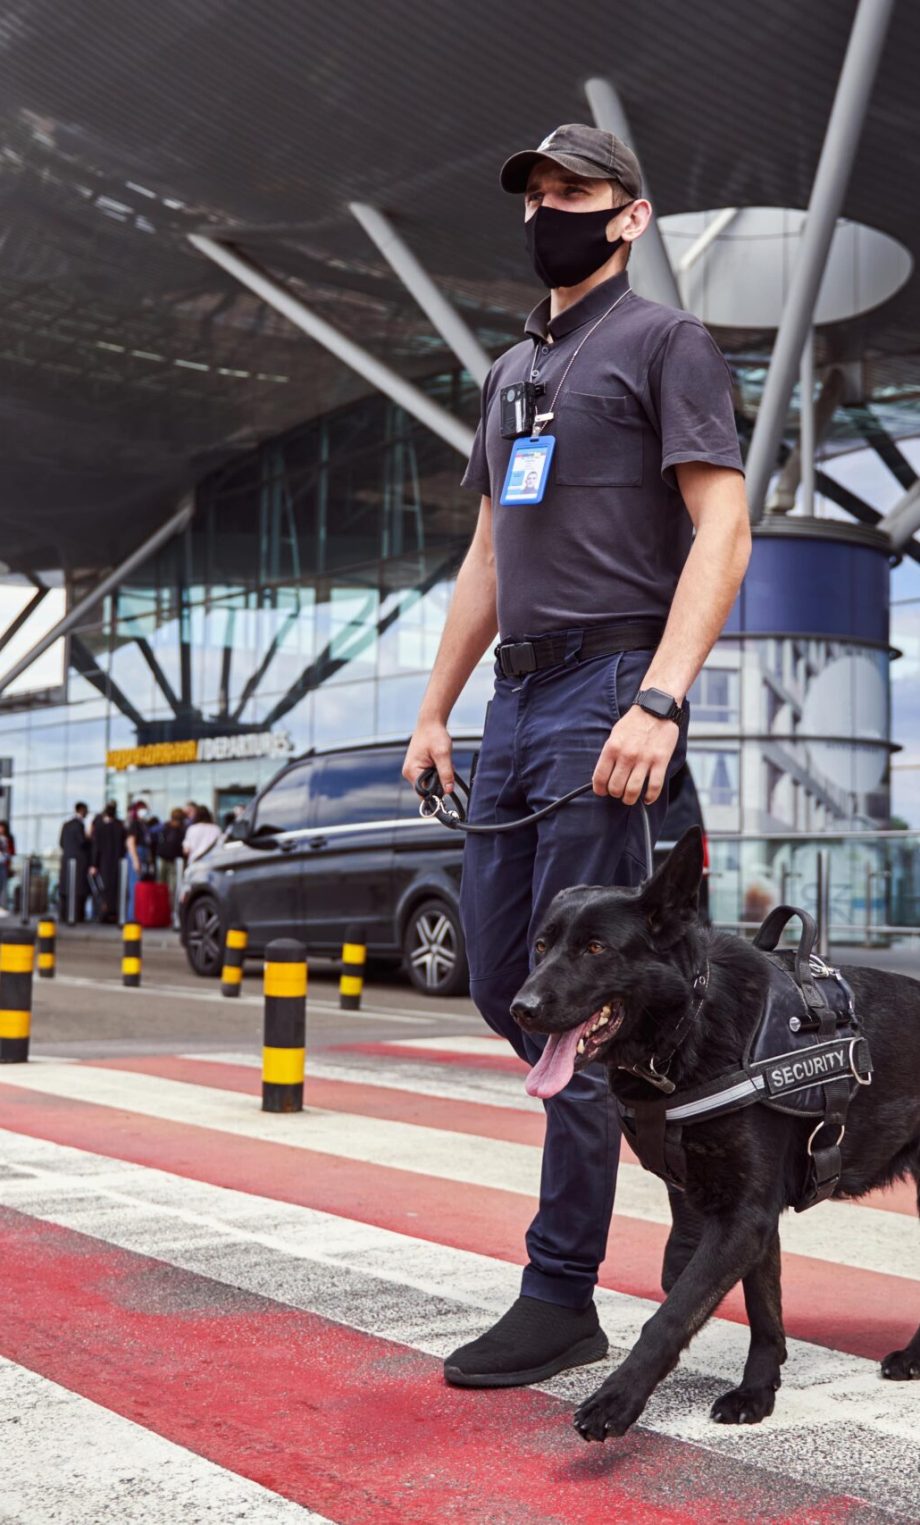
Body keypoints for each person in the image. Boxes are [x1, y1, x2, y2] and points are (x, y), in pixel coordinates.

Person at [402, 123, 751, 1389]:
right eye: (536, 193)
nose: (548, 208)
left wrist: (658, 698)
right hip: (512, 701)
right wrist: (436, 707)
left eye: (575, 192)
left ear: (629, 216)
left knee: (583, 1000)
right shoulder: (508, 374)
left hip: (613, 684)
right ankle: (685, 1154)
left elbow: (723, 524)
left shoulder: (665, 344)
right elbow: (489, 553)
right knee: (512, 985)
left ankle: (559, 1290)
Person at [89, 802, 125, 923]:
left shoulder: (99, 827)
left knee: (103, 889)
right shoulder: (120, 826)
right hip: (118, 862)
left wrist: (94, 864)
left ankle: (103, 914)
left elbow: (96, 847)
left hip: (104, 862)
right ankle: (114, 913)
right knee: (115, 889)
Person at [59, 802, 90, 922]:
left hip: (66, 860)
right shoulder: (79, 825)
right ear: (82, 810)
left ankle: (64, 915)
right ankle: (77, 916)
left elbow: (61, 843)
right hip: (79, 862)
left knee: (66, 888)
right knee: (79, 889)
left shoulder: (66, 825)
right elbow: (82, 842)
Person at [124, 800, 153, 920]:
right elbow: (130, 842)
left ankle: (137, 915)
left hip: (143, 854)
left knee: (139, 888)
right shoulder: (134, 824)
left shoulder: (143, 825)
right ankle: (132, 918)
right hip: (137, 854)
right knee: (134, 887)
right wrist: (135, 860)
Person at [156, 807, 187, 905]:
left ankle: (167, 907)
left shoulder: (180, 829)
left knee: (170, 886)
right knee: (164, 885)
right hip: (165, 859)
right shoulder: (166, 827)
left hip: (171, 860)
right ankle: (162, 906)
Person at [0, 819, 13, 911]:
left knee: (2, 885)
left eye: (2, 827)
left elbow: (12, 851)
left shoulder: (9, 838)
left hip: (4, 864)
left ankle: (2, 905)